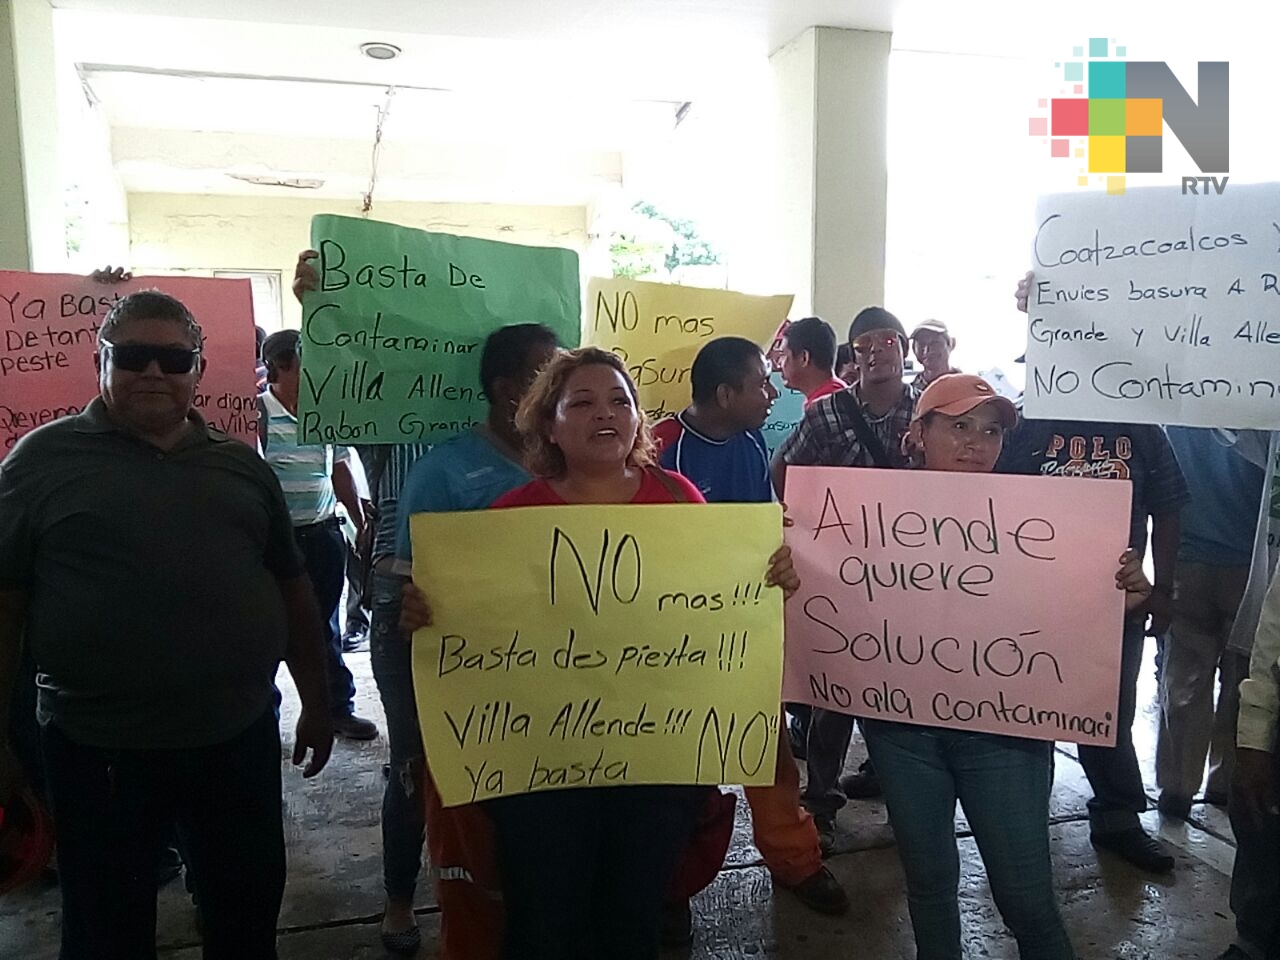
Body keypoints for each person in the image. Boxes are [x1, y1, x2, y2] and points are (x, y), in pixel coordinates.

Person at [401, 347, 799, 960]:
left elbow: (719, 613)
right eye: (581, 402)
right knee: (543, 922)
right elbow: (472, 636)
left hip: (655, 766)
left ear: (639, 419)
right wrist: (429, 615)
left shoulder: (679, 500)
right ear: (549, 423)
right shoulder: (510, 518)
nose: (604, 413)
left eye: (620, 400)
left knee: (632, 920)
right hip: (539, 775)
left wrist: (769, 576)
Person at [0, 290, 333, 960]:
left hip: (234, 739)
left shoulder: (240, 465)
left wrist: (318, 700)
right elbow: (4, 604)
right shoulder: (39, 463)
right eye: (134, 356)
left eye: (173, 358)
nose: (154, 372)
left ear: (199, 369)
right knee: (106, 928)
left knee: (244, 916)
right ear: (102, 362)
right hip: (96, 750)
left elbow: (291, 586)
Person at [872, 372, 1151, 960]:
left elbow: (1073, 611)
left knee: (1027, 899)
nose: (977, 441)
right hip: (902, 734)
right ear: (920, 433)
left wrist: (1117, 593)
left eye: (992, 430)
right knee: (927, 889)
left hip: (1005, 735)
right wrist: (795, 572)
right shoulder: (865, 514)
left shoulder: (1042, 522)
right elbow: (839, 599)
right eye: (959, 425)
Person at [652, 336, 848, 920]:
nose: (773, 392)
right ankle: (670, 888)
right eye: (762, 383)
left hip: (742, 632)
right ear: (724, 393)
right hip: (671, 641)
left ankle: (796, 863)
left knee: (767, 757)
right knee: (677, 768)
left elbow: (762, 528)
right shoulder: (660, 449)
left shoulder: (749, 442)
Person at [384, 321, 561, 958]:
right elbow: (411, 585)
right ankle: (402, 898)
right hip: (447, 654)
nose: (561, 382)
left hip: (540, 666)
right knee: (422, 773)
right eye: (549, 369)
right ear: (506, 388)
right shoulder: (446, 469)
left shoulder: (569, 467)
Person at [1009, 273, 1188, 873]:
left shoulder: (1139, 421)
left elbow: (1168, 504)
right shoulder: (1027, 420)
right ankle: (1018, 819)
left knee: (1107, 711)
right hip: (1035, 601)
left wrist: (1165, 588)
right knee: (1027, 704)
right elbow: (988, 505)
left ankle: (1117, 819)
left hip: (1118, 602)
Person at [771, 306, 919, 849]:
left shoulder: (930, 410)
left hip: (914, 575)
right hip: (845, 573)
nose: (875, 354)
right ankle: (822, 799)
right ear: (851, 356)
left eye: (885, 342)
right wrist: (804, 523)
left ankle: (903, 795)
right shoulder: (826, 414)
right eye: (862, 347)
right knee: (837, 691)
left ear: (901, 345)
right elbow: (782, 468)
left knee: (904, 686)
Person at [259, 330, 379, 742]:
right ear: (279, 367)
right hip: (276, 543)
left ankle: (336, 710)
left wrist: (357, 516)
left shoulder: (324, 410)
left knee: (323, 628)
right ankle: (265, 718)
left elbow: (339, 465)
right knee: (268, 630)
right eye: (307, 365)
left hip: (324, 534)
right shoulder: (256, 414)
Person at [1156, 427, 1264, 818]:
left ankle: (1176, 787)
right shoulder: (1263, 403)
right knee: (1243, 680)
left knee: (1183, 678)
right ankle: (1228, 781)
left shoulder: (1180, 407)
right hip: (1252, 562)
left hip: (1188, 556)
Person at [775, 317, 847, 409]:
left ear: (804, 358)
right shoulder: (838, 396)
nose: (778, 365)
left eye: (783, 355)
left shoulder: (827, 406)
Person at [908, 319, 960, 390]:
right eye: (921, 344)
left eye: (935, 343)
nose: (927, 350)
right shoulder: (910, 393)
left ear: (951, 344)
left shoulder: (968, 385)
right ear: (914, 349)